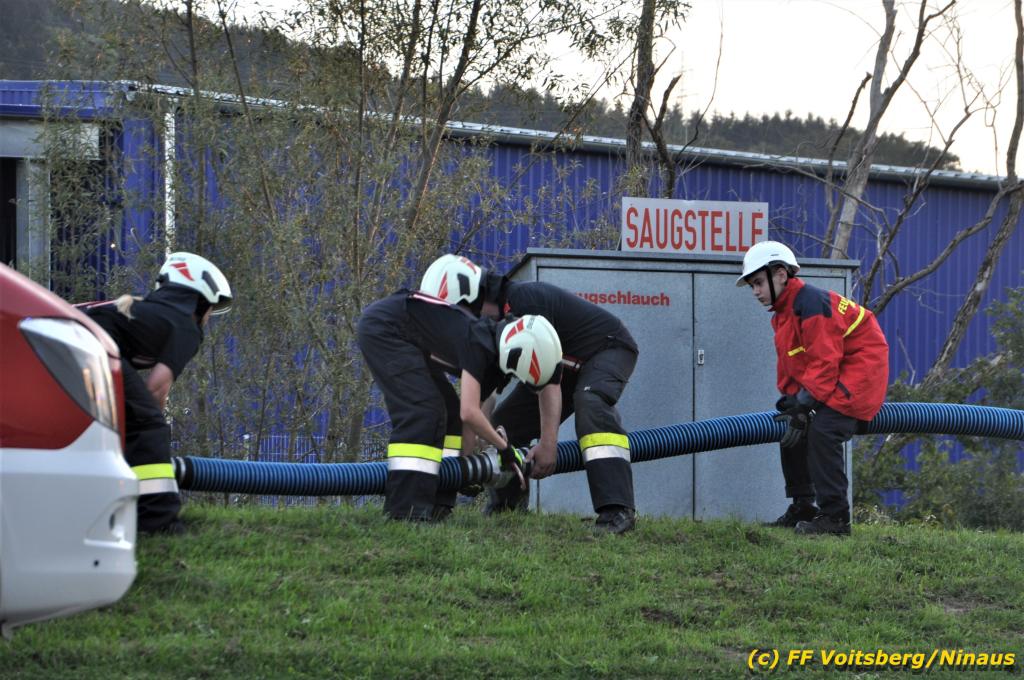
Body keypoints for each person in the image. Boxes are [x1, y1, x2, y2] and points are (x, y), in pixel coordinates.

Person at [420, 254, 639, 535]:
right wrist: (475, 444)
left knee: (591, 402)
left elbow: (548, 381)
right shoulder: (488, 328)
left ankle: (617, 511)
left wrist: (548, 445)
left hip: (606, 350)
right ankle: (506, 507)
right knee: (503, 425)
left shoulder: (527, 303)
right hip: (560, 372)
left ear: (467, 299)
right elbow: (484, 394)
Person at [356, 287, 562, 521]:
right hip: (385, 328)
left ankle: (439, 505)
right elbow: (470, 413)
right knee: (423, 411)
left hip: (410, 339)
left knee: (449, 412)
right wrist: (505, 450)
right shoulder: (479, 342)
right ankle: (405, 513)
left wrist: (466, 470)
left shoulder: (495, 362)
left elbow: (465, 421)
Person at [736, 241, 889, 536]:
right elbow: (793, 365)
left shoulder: (812, 304)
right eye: (752, 285)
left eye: (758, 283)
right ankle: (803, 506)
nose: (755, 291)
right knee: (791, 428)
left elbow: (824, 362)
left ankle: (836, 518)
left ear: (780, 274)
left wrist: (805, 404)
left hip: (859, 374)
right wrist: (793, 403)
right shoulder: (784, 313)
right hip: (834, 374)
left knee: (822, 431)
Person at [83, 251, 232, 535]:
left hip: (68, 347)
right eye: (211, 309)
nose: (209, 318)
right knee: (149, 424)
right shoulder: (185, 326)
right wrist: (151, 433)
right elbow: (156, 388)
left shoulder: (146, 311)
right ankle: (158, 522)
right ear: (199, 301)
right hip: (91, 350)